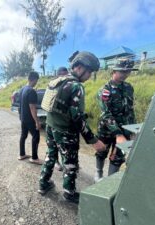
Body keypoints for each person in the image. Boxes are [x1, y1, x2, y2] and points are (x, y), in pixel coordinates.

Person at [38, 51, 106, 204]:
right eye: (89, 72)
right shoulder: (76, 86)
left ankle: (43, 184)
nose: (89, 76)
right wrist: (93, 140)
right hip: (65, 132)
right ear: (80, 68)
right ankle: (69, 192)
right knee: (70, 163)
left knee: (51, 155)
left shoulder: (58, 81)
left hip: (51, 127)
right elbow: (77, 117)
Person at [95, 58, 137, 182]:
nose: (125, 74)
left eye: (128, 71)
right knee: (102, 151)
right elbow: (105, 114)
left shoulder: (129, 87)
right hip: (107, 129)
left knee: (119, 156)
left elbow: (130, 109)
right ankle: (98, 174)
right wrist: (117, 133)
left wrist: (133, 128)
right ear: (114, 70)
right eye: (122, 71)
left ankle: (109, 181)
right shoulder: (105, 90)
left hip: (125, 129)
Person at [18, 71, 43, 165]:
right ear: (35, 80)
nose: (37, 82)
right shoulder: (31, 91)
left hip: (23, 118)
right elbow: (32, 108)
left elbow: (20, 105)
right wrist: (37, 122)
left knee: (23, 135)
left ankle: (22, 154)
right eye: (37, 80)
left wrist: (20, 116)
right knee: (36, 136)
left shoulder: (22, 89)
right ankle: (34, 158)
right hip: (30, 119)